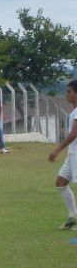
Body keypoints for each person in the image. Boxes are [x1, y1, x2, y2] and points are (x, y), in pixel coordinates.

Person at [48, 80, 77, 230]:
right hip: (72, 153)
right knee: (61, 182)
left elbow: (74, 133)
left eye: (69, 91)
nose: (67, 94)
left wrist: (57, 150)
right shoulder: (74, 111)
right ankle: (72, 217)